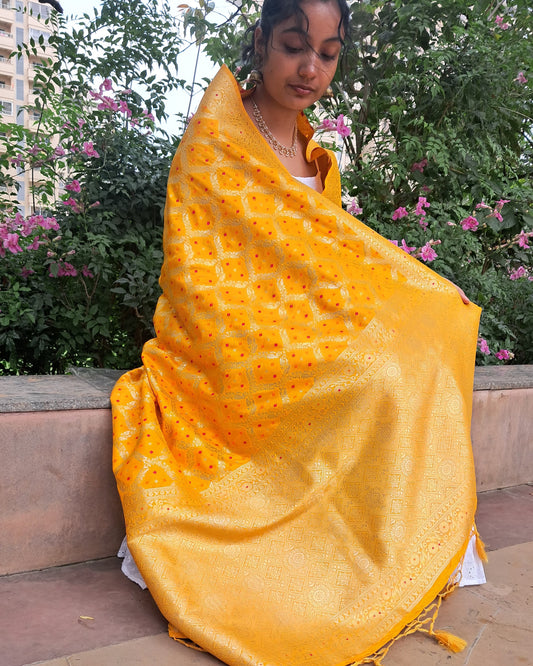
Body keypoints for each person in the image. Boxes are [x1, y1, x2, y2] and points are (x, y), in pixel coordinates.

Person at [112, 1, 485, 664]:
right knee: (374, 375)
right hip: (229, 347)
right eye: (293, 46)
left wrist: (428, 292)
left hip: (300, 337)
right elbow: (200, 277)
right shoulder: (216, 143)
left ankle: (381, 546)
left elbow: (338, 268)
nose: (309, 68)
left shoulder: (315, 155)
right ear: (259, 42)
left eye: (327, 52)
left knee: (415, 361)